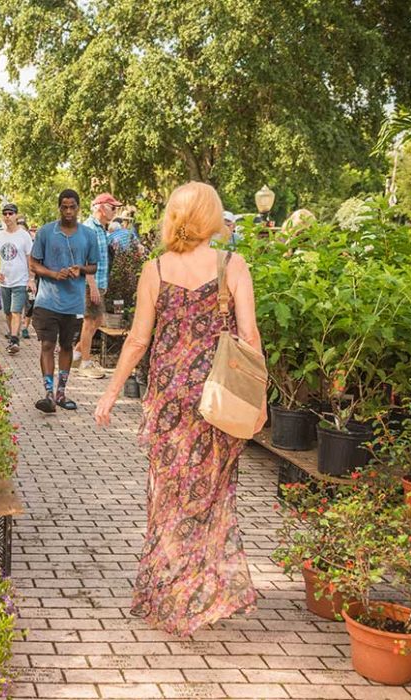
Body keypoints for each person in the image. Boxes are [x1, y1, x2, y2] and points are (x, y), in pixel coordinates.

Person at [94, 181, 263, 637]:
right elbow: (249, 337)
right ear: (211, 217)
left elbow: (137, 340)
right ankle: (199, 592)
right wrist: (259, 400)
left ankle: (168, 590)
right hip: (218, 402)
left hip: (168, 400)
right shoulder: (233, 265)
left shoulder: (156, 268)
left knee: (167, 495)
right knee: (210, 494)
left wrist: (110, 393)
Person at [29, 189, 98, 413]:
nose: (68, 211)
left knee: (66, 346)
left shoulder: (88, 235)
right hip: (47, 301)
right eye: (64, 207)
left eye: (72, 207)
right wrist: (52, 273)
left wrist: (80, 270)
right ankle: (48, 394)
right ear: (59, 207)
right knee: (48, 344)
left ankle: (61, 393)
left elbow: (94, 266)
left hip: (73, 303)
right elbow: (33, 263)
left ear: (79, 208)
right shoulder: (46, 232)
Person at [74, 193, 121, 379]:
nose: (115, 211)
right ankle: (85, 363)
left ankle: (77, 354)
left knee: (98, 320)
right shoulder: (88, 228)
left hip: (99, 283)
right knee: (89, 321)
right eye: (113, 207)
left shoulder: (101, 228)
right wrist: (93, 286)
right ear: (101, 207)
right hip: (89, 284)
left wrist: (102, 285)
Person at [0, 202, 35, 354]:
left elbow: (30, 258)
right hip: (4, 281)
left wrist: (31, 278)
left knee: (16, 311)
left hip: (20, 280)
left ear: (16, 215)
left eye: (11, 213)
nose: (8, 216)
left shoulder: (24, 236)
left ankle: (15, 339)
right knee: (8, 312)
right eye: (5, 214)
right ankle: (12, 336)